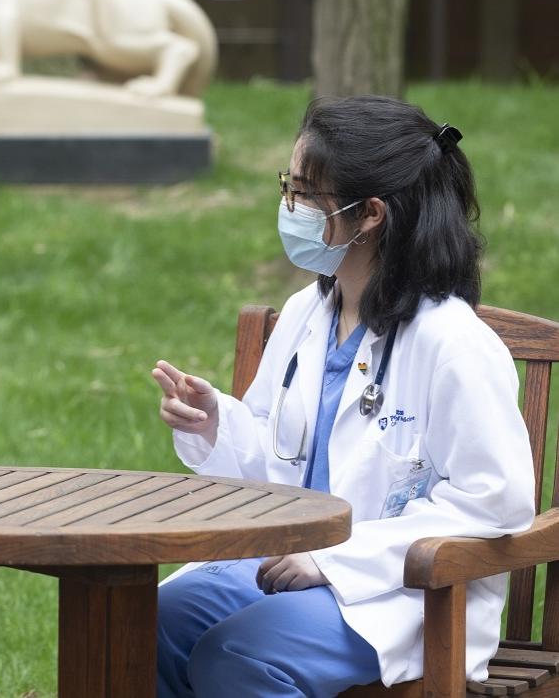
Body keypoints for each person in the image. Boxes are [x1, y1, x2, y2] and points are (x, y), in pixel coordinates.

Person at [151, 95, 535, 697]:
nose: (289, 207)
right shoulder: (309, 312)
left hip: (406, 592)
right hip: (286, 563)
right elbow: (273, 463)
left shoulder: (453, 343)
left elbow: (496, 502)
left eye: (305, 193)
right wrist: (213, 423)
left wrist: (335, 560)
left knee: (240, 657)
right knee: (151, 623)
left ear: (370, 214)